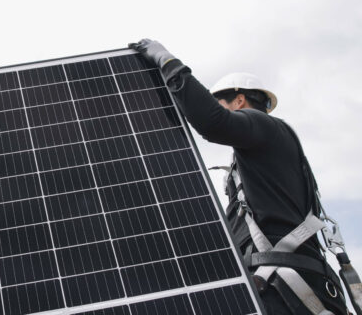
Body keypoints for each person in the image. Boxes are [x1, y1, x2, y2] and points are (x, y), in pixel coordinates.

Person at [130, 39, 348, 315]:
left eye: (219, 101)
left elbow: (212, 122)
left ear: (240, 100)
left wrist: (169, 63)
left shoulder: (264, 125)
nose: (215, 106)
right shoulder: (258, 161)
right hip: (281, 288)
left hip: (287, 290)